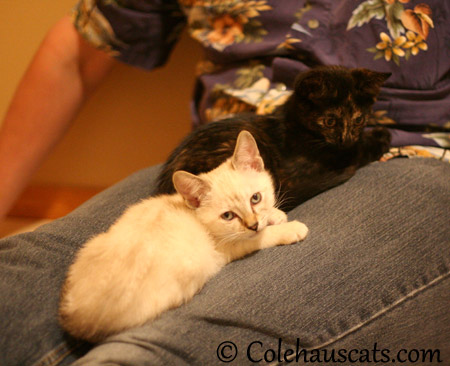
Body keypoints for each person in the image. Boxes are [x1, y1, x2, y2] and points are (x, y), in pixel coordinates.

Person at [0, 1, 449, 365]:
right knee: (17, 279)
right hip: (220, 165)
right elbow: (78, 53)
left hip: (403, 155)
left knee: (168, 345)